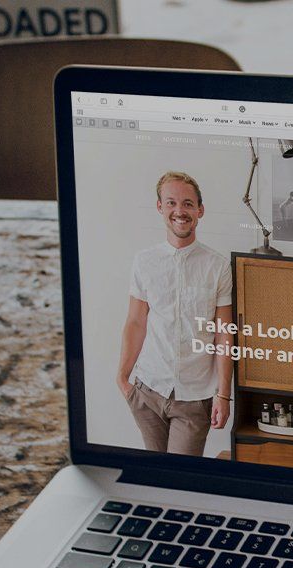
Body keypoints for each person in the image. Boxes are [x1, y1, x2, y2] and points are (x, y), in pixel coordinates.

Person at [116, 171, 233, 455]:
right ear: (160, 207)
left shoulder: (218, 266)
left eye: (188, 204)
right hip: (147, 391)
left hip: (195, 398)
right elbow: (135, 322)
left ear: (200, 210)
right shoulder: (144, 261)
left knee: (182, 475)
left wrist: (223, 395)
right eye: (171, 203)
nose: (179, 211)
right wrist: (123, 379)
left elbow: (224, 335)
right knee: (155, 474)